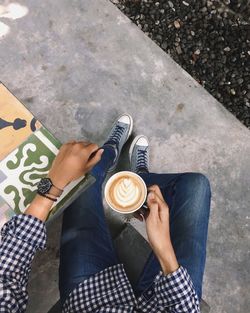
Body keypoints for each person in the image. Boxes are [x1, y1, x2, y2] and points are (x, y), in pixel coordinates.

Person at [0, 114, 211, 313]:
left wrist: (51, 188)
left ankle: (108, 154)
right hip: (158, 305)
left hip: (89, 298)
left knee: (82, 182)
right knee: (195, 185)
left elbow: (5, 276)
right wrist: (165, 252)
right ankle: (138, 178)